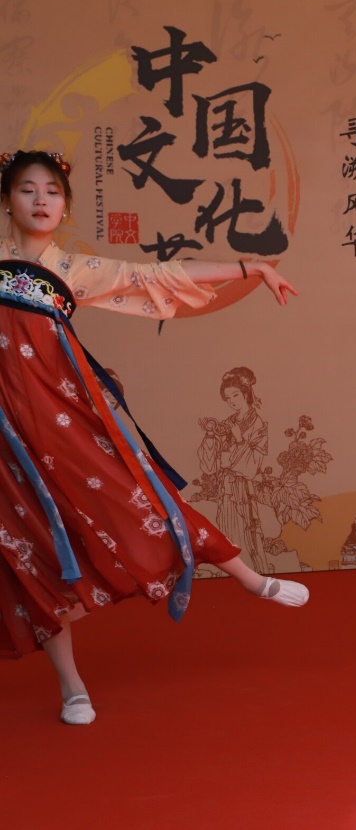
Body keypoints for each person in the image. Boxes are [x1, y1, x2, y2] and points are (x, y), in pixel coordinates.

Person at [0, 149, 307, 726]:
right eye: (27, 189)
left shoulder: (73, 269)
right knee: (31, 549)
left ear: (64, 206)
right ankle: (71, 686)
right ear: (7, 200)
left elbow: (156, 276)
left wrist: (249, 267)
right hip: (4, 432)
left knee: (139, 497)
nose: (40, 201)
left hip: (59, 419)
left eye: (52, 192)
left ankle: (248, 578)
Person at [197, 368, 271, 570]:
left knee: (246, 534)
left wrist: (239, 439)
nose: (232, 401)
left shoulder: (258, 424)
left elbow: (251, 467)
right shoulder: (227, 423)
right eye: (228, 398)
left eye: (235, 395)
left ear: (246, 393)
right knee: (228, 532)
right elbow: (210, 466)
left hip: (244, 489)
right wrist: (210, 435)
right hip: (226, 489)